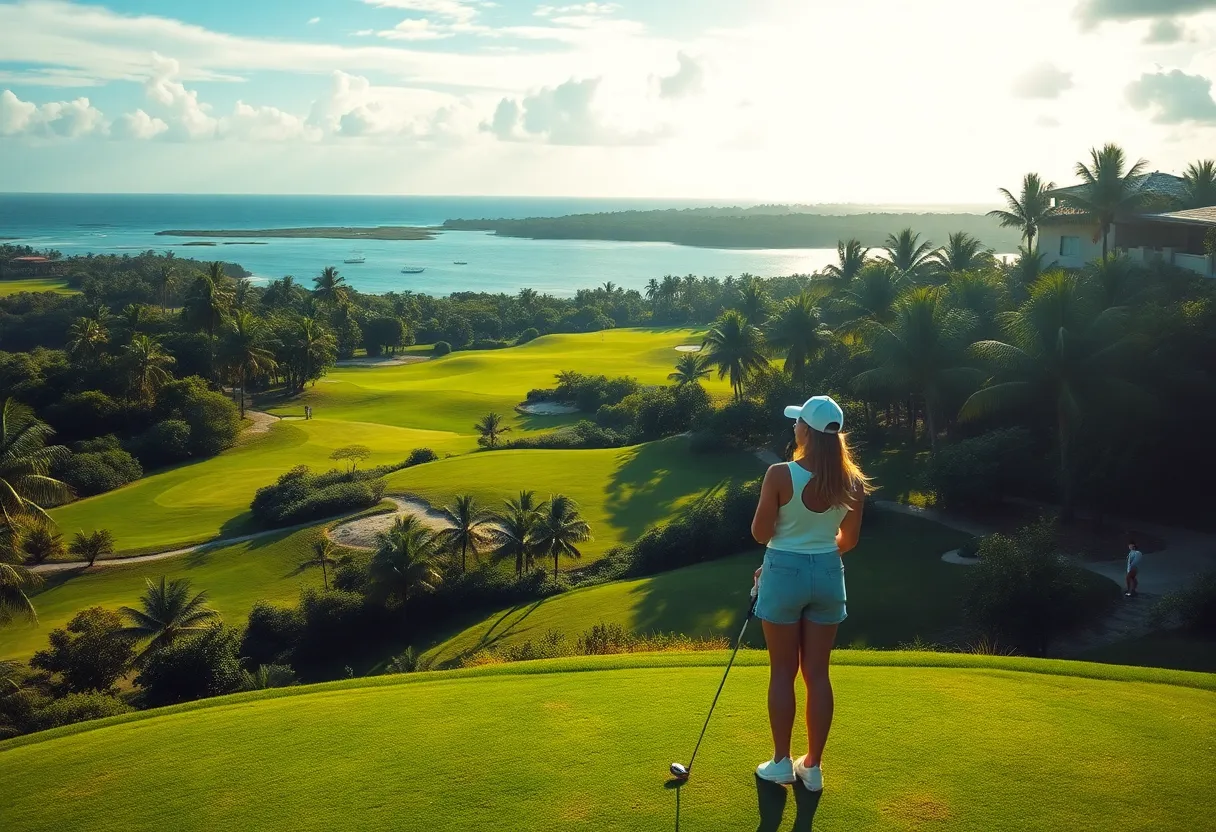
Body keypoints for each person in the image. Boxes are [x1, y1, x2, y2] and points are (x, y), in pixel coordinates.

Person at [750, 395, 871, 792]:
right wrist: (815, 551)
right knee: (817, 673)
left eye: (797, 423)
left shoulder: (780, 474)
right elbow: (847, 541)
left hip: (783, 572)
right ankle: (813, 767)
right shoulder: (852, 481)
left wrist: (778, 564)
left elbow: (760, 534)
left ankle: (783, 762)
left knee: (782, 671)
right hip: (828, 574)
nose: (794, 428)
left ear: (806, 430)